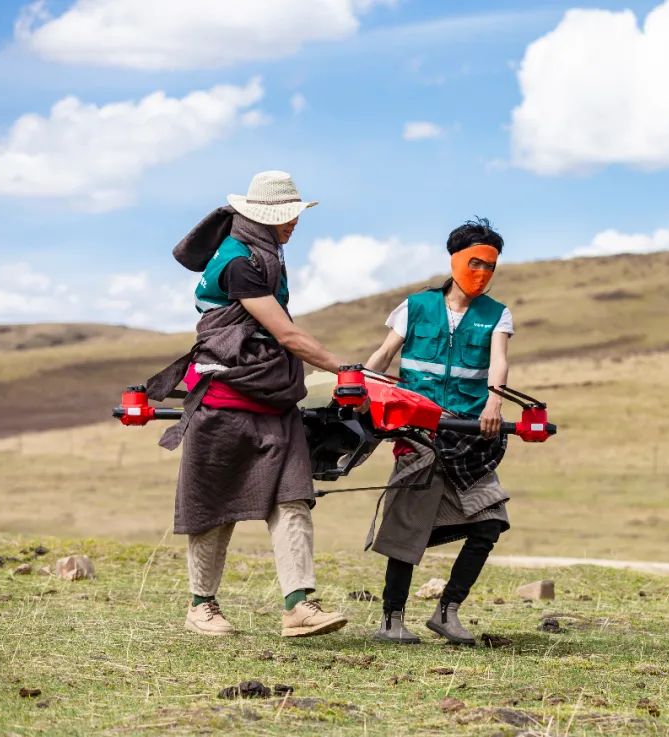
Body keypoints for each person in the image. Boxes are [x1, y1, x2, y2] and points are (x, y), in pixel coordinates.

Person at [146, 170, 357, 638]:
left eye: (296, 213)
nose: (294, 222)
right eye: (286, 215)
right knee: (213, 505)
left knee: (293, 498)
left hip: (274, 401)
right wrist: (343, 367)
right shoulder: (239, 262)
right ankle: (201, 606)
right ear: (260, 216)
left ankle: (299, 606)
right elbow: (286, 334)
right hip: (225, 400)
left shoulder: (266, 255)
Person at [362, 218, 516, 645]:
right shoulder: (414, 307)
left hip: (470, 441)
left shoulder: (497, 315)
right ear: (455, 261)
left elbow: (499, 362)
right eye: (475, 262)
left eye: (490, 266)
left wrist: (494, 403)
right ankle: (391, 621)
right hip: (419, 437)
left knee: (489, 523)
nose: (482, 272)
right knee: (406, 531)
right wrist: (359, 388)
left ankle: (447, 612)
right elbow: (383, 355)